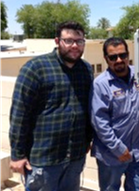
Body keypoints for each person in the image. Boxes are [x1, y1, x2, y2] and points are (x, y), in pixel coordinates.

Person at [9, 21, 94, 191]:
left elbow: (88, 107)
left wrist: (87, 140)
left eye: (79, 41)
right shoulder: (35, 69)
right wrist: (17, 155)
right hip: (43, 160)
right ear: (57, 41)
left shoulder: (85, 69)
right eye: (68, 41)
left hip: (75, 158)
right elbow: (19, 115)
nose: (75, 46)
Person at [90, 37, 139, 191]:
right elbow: (100, 123)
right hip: (111, 156)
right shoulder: (100, 85)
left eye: (122, 55)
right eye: (113, 57)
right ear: (106, 59)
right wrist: (118, 149)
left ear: (128, 55)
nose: (119, 60)